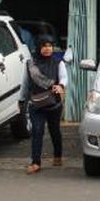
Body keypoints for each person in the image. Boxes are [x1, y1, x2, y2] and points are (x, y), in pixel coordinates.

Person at [26, 39, 68, 175]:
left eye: (50, 46)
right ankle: (35, 162)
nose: (47, 49)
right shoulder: (31, 63)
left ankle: (57, 156)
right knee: (37, 131)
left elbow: (64, 78)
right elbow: (25, 82)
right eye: (44, 46)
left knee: (54, 130)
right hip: (36, 103)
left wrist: (60, 86)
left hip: (53, 103)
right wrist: (21, 99)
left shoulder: (58, 63)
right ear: (38, 47)